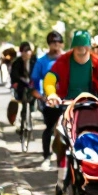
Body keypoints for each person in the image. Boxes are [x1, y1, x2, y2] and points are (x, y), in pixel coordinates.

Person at [42, 31, 98, 163]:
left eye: (84, 46)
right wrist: (52, 94)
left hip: (92, 105)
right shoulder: (64, 60)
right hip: (68, 104)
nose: (81, 50)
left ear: (89, 47)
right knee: (61, 134)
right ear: (73, 47)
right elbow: (49, 78)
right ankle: (61, 167)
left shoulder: (96, 62)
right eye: (78, 47)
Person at [31, 31, 66, 163]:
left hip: (67, 99)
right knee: (50, 128)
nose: (56, 45)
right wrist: (41, 96)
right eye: (53, 42)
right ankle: (46, 156)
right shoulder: (42, 61)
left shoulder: (69, 59)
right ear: (49, 44)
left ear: (62, 44)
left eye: (58, 42)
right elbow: (34, 80)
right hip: (50, 100)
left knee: (69, 129)